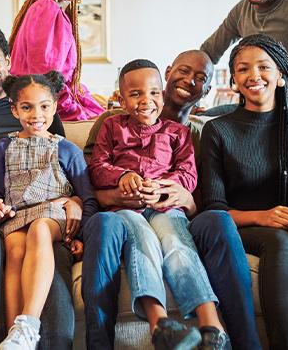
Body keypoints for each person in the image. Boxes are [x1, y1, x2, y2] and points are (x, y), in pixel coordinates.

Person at [191, 34, 288, 350]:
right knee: (277, 240)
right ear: (234, 81)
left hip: (287, 225)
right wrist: (264, 217)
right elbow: (214, 207)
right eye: (243, 69)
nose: (253, 76)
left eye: (264, 67)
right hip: (241, 226)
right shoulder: (218, 130)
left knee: (285, 240)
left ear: (280, 75)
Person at [89, 59, 229, 349]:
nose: (146, 100)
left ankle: (211, 326)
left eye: (153, 92)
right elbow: (97, 166)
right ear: (122, 98)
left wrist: (164, 186)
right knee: (143, 243)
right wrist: (123, 175)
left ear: (162, 94)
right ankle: (161, 325)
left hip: (165, 205)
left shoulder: (178, 132)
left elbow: (188, 175)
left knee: (177, 243)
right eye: (135, 94)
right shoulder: (111, 126)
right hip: (127, 208)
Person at [0, 24, 74, 350]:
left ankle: (40, 333)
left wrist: (75, 201)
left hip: (42, 217)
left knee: (57, 321)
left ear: (7, 61)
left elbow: (67, 172)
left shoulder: (38, 111)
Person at [0, 71, 98, 350]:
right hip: (17, 216)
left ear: (55, 106)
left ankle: (28, 324)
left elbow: (88, 198)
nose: (37, 114)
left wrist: (83, 234)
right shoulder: (2, 147)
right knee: (15, 247)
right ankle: (15, 339)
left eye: (44, 106)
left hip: (54, 214)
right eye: (26, 107)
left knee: (40, 227)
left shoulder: (67, 149)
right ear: (14, 109)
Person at [9, 0, 105, 121]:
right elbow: (46, 80)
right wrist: (79, 113)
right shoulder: (47, 9)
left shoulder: (52, 8)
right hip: (44, 113)